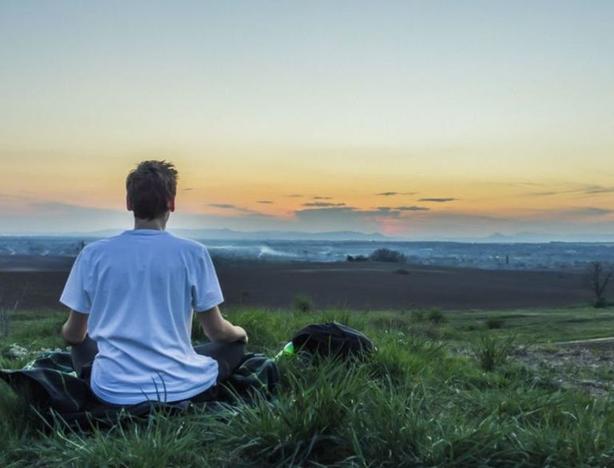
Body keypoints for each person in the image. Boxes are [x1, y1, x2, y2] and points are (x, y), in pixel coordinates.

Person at [59, 160, 248, 406]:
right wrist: (240, 333)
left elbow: (73, 335)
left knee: (81, 345)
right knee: (233, 348)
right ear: (171, 203)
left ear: (129, 203)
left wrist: (75, 335)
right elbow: (217, 332)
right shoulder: (193, 253)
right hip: (181, 387)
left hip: (112, 390)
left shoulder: (93, 254)